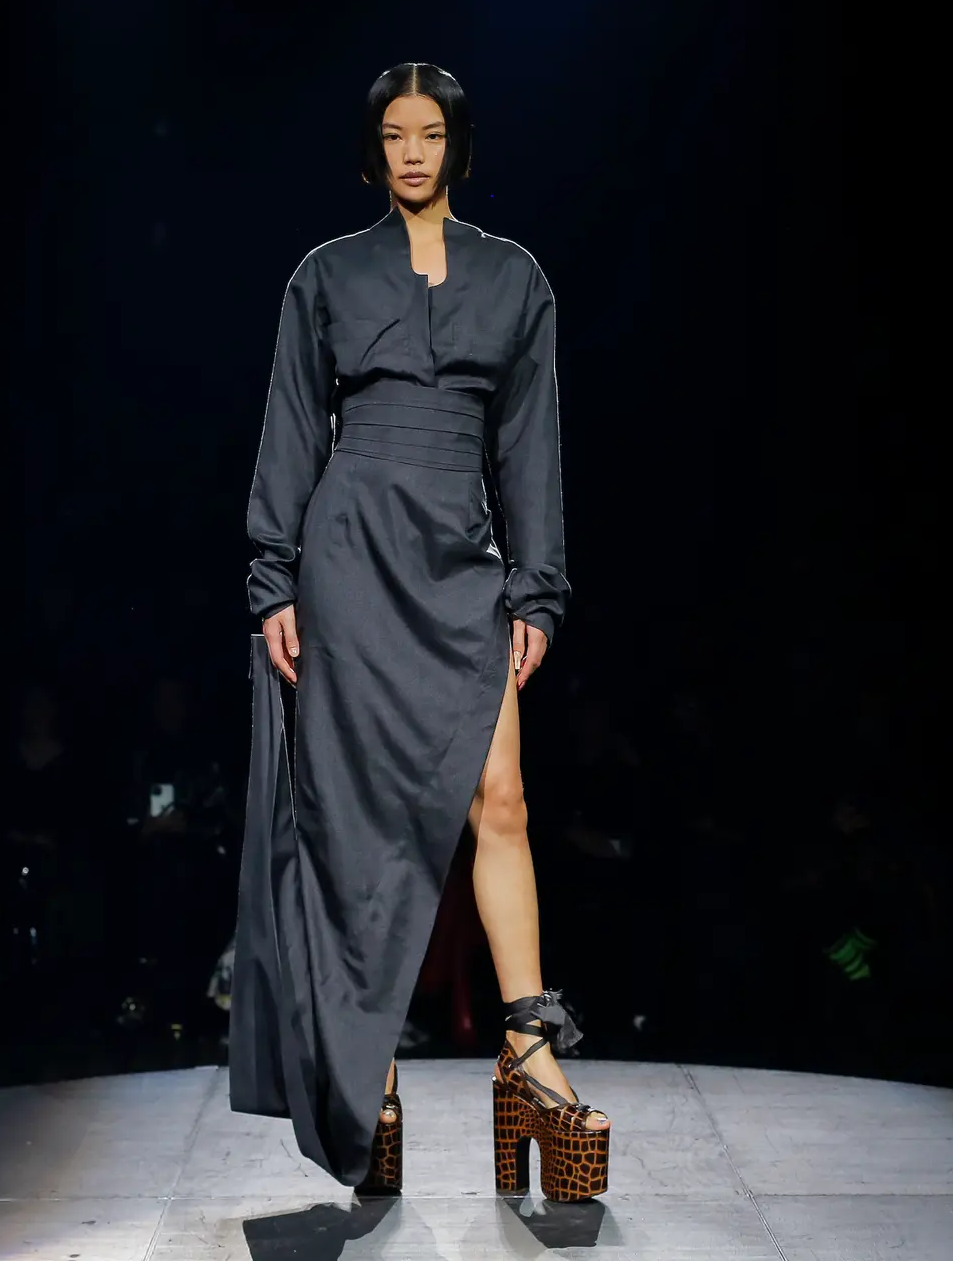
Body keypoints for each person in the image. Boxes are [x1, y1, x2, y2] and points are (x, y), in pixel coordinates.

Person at [229, 62, 609, 1202]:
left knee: (501, 797)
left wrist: (536, 591)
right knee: (358, 825)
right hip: (350, 556)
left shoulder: (514, 278)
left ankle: (528, 1050)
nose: (410, 152)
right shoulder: (326, 274)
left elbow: (529, 442)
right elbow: (292, 427)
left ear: (457, 147)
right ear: (372, 150)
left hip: (460, 560)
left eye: (429, 134)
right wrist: (274, 579)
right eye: (393, 134)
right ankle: (369, 1068)